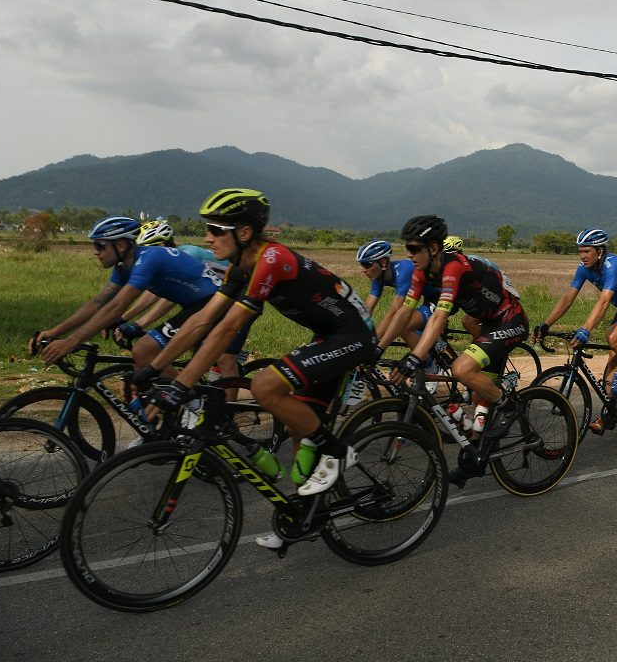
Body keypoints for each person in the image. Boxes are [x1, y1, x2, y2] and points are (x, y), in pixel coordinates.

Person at [134, 189, 377, 524]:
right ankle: (308, 514)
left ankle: (337, 454)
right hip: (327, 335)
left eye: (216, 229)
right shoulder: (239, 269)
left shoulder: (271, 259)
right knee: (297, 425)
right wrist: (154, 368)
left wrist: (182, 384)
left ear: (244, 232)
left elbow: (225, 329)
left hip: (353, 335)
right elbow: (201, 320)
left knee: (264, 387)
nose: (208, 237)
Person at [386, 215, 529, 468]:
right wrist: (377, 347)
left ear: (433, 248)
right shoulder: (421, 273)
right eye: (406, 248)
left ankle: (509, 407)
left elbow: (440, 316)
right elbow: (404, 313)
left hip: (510, 320)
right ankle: (476, 456)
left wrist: (415, 356)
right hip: (487, 323)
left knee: (461, 368)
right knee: (477, 398)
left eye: (414, 249)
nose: (408, 254)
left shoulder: (454, 266)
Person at [31, 216, 230, 374]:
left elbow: (117, 306)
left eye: (100, 246)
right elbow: (98, 302)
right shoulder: (122, 268)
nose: (95, 252)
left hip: (212, 303)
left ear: (120, 246)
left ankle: (189, 404)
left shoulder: (147, 259)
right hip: (194, 305)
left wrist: (71, 342)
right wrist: (54, 332)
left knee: (143, 351)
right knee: (141, 363)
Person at [533, 228, 617, 410]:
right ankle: (611, 409)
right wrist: (546, 325)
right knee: (614, 356)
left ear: (599, 251)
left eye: (586, 251)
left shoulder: (612, 265)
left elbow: (604, 301)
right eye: (580, 251)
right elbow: (568, 298)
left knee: (613, 338)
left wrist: (586, 330)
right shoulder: (584, 269)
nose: (582, 256)